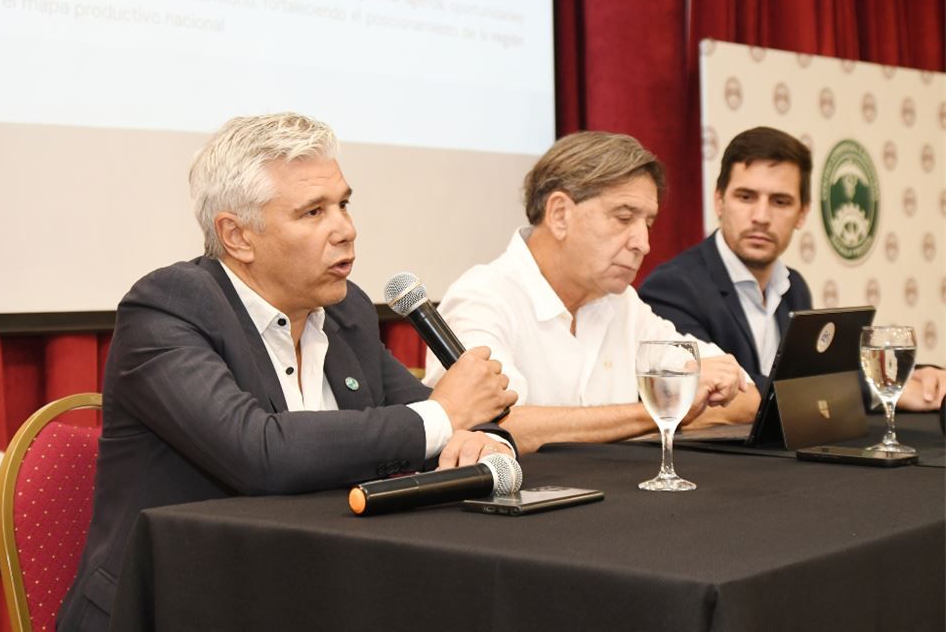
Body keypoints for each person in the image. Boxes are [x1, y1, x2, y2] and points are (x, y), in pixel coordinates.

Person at [58, 113, 517, 632]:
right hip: (175, 605)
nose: (346, 230)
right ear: (237, 236)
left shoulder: (346, 312)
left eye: (344, 204)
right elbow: (261, 453)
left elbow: (442, 417)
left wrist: (483, 439)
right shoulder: (169, 308)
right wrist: (445, 414)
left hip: (313, 596)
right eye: (313, 212)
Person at [423, 131, 759, 454]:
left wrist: (684, 399)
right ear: (559, 215)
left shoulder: (623, 304)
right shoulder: (481, 298)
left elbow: (744, 395)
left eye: (648, 224)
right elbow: (497, 427)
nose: (643, 244)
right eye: (623, 218)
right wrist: (658, 411)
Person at [639, 126, 945, 411]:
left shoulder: (793, 286)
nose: (761, 216)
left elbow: (817, 375)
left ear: (802, 213)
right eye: (746, 197)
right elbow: (718, 392)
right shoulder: (674, 288)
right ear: (719, 201)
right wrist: (875, 390)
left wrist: (909, 376)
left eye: (780, 201)